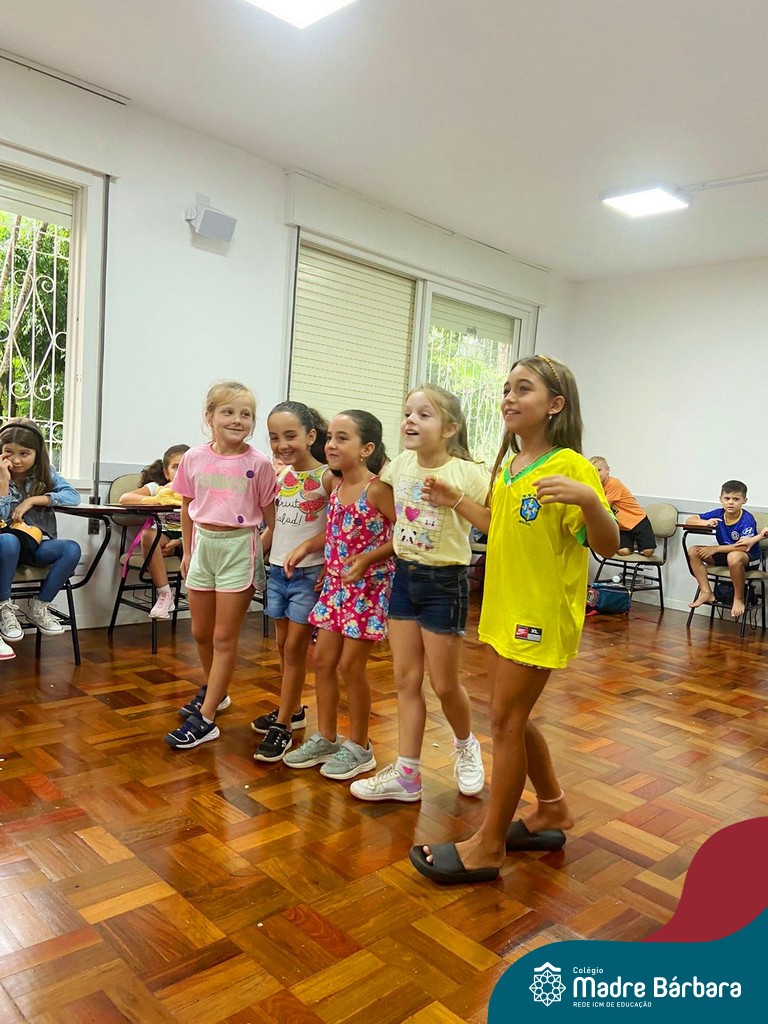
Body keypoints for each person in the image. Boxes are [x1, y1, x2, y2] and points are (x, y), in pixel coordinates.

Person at [408, 355, 618, 885]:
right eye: (506, 388)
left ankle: (489, 845)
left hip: (538, 614)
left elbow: (607, 545)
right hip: (504, 608)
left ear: (555, 404)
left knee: (504, 722)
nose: (508, 397)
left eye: (523, 389)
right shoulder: (512, 464)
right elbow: (498, 527)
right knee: (513, 719)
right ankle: (551, 809)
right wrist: (456, 500)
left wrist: (592, 503)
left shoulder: (570, 466)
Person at [349, 384, 489, 804]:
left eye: (423, 414)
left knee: (444, 685)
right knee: (406, 680)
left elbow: (491, 523)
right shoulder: (400, 466)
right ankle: (408, 774)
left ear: (449, 428)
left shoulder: (469, 473)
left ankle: (465, 744)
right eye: (408, 412)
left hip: (445, 583)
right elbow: (378, 494)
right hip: (405, 578)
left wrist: (455, 499)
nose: (410, 420)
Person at [163, 381, 276, 749]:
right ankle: (217, 690)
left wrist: (256, 553)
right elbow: (187, 506)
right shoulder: (194, 458)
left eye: (246, 414)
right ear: (209, 417)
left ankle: (208, 717)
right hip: (203, 548)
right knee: (200, 633)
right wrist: (188, 551)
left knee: (224, 637)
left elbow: (271, 521)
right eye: (228, 412)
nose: (237, 420)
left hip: (239, 548)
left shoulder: (259, 463)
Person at [284, 410, 396, 781]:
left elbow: (405, 537)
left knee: (351, 667)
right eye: (330, 437)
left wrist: (368, 559)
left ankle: (360, 746)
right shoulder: (335, 485)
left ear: (367, 449)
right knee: (322, 661)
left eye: (342, 438)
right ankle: (328, 738)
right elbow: (336, 530)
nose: (331, 444)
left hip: (368, 590)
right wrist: (308, 547)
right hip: (335, 588)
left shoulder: (377, 489)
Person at [252, 401, 334, 763]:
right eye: (274, 437)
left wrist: (316, 554)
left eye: (290, 436)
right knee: (283, 646)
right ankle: (294, 708)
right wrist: (252, 555)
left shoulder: (327, 477)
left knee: (296, 649)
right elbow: (275, 528)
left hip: (307, 575)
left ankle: (282, 724)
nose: (282, 444)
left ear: (311, 436)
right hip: (277, 572)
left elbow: (338, 528)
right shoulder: (281, 477)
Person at [0, 418, 81, 651]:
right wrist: (3, 482)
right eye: (9, 452)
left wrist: (33, 500)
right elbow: (2, 518)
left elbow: (73, 496)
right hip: (5, 548)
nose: (16, 460)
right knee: (8, 540)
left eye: (24, 453)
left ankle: (40, 606)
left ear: (37, 454)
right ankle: (3, 607)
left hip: (34, 545)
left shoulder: (45, 475)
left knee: (71, 549)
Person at [119, 444, 190, 619]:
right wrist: (155, 500)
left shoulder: (199, 489)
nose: (181, 471)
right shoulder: (158, 488)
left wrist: (181, 542)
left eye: (186, 467)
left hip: (191, 539)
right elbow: (125, 498)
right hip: (164, 536)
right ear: (166, 472)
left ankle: (200, 594)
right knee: (148, 535)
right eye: (175, 467)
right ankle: (165, 594)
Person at [685, 480, 767, 621]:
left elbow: (743, 547)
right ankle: (706, 592)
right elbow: (690, 520)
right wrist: (704, 522)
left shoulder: (747, 519)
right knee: (694, 551)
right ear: (721, 499)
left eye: (736, 499)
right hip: (727, 555)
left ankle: (738, 598)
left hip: (748, 557)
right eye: (727, 498)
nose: (730, 502)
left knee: (734, 556)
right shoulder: (718, 513)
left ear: (744, 501)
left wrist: (715, 548)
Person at [589, 456, 655, 557]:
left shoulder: (614, 483)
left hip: (637, 520)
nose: (596, 474)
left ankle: (639, 544)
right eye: (593, 471)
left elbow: (604, 506)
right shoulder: (596, 487)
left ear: (607, 470)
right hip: (622, 526)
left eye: (599, 470)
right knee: (623, 552)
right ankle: (630, 544)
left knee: (648, 552)